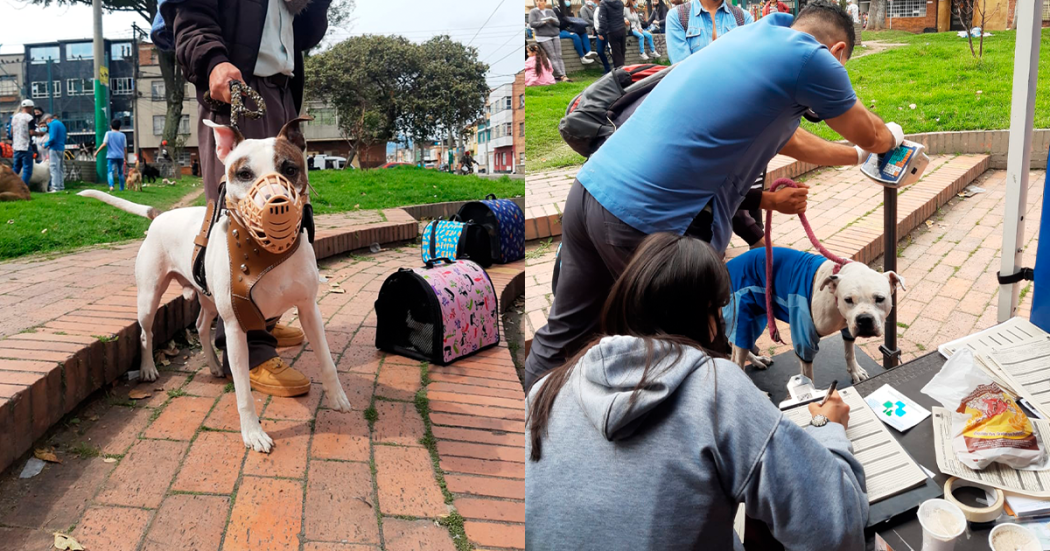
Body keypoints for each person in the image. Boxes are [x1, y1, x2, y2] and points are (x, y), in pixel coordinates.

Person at [522, 4, 906, 389]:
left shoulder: (751, 37)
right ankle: (689, 441)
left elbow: (787, 136)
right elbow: (873, 134)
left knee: (564, 331)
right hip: (647, 221)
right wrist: (894, 137)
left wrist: (856, 156)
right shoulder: (811, 58)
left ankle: (538, 429)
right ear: (838, 53)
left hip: (590, 191)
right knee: (694, 351)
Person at [526, 232, 867, 550]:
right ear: (708, 316)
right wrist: (829, 428)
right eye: (721, 309)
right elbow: (836, 528)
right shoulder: (717, 388)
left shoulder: (545, 390)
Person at [156, 0, 331, 396]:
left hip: (282, 91)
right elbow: (190, 11)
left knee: (287, 215)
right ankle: (249, 347)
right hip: (237, 89)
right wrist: (212, 61)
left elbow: (307, 35)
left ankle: (262, 322)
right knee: (243, 225)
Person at [666, 0, 754, 64]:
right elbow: (682, 70)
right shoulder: (678, 15)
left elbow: (749, 62)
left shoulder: (743, 17)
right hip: (695, 88)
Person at [529, 0, 572, 82]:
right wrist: (543, 22)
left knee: (559, 55)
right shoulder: (533, 12)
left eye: (541, 1)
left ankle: (564, 74)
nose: (539, 3)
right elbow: (532, 24)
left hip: (555, 35)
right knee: (552, 55)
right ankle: (561, 75)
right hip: (543, 36)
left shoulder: (550, 11)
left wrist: (552, 21)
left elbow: (558, 23)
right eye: (537, 1)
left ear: (545, 2)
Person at [554, 0, 598, 66]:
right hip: (560, 31)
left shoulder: (568, 10)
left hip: (569, 29)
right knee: (575, 36)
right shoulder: (556, 10)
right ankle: (582, 57)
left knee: (583, 32)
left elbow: (572, 21)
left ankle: (588, 51)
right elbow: (559, 24)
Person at [10, 100, 42, 187]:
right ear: (30, 107)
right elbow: (31, 132)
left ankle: (10, 185)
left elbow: (11, 132)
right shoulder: (29, 118)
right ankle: (22, 188)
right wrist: (39, 134)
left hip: (16, 146)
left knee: (16, 168)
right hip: (25, 146)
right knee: (27, 169)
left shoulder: (15, 117)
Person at [94, 119, 128, 192]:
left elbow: (104, 144)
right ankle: (121, 188)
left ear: (110, 126)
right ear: (120, 127)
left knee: (110, 172)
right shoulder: (123, 135)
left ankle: (111, 186)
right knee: (121, 172)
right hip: (120, 156)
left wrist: (97, 151)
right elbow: (125, 148)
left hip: (111, 156)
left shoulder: (108, 133)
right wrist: (125, 157)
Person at [597, 0, 628, 68]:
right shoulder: (620, 3)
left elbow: (603, 19)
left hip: (612, 30)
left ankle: (619, 71)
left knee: (616, 53)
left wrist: (600, 32)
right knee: (622, 52)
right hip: (622, 29)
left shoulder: (603, 3)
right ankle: (623, 68)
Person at [42, 114, 66, 192]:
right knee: (60, 168)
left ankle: (55, 187)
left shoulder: (53, 124)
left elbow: (52, 138)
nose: (46, 124)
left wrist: (45, 145)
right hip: (61, 148)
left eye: (46, 122)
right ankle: (61, 186)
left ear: (48, 119)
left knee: (54, 168)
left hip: (54, 148)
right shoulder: (61, 124)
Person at [591, 0, 614, 72]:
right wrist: (594, 29)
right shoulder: (596, 8)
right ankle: (607, 68)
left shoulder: (604, 6)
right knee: (600, 51)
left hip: (606, 32)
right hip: (599, 33)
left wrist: (602, 32)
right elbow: (596, 21)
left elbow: (605, 20)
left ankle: (617, 67)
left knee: (611, 51)